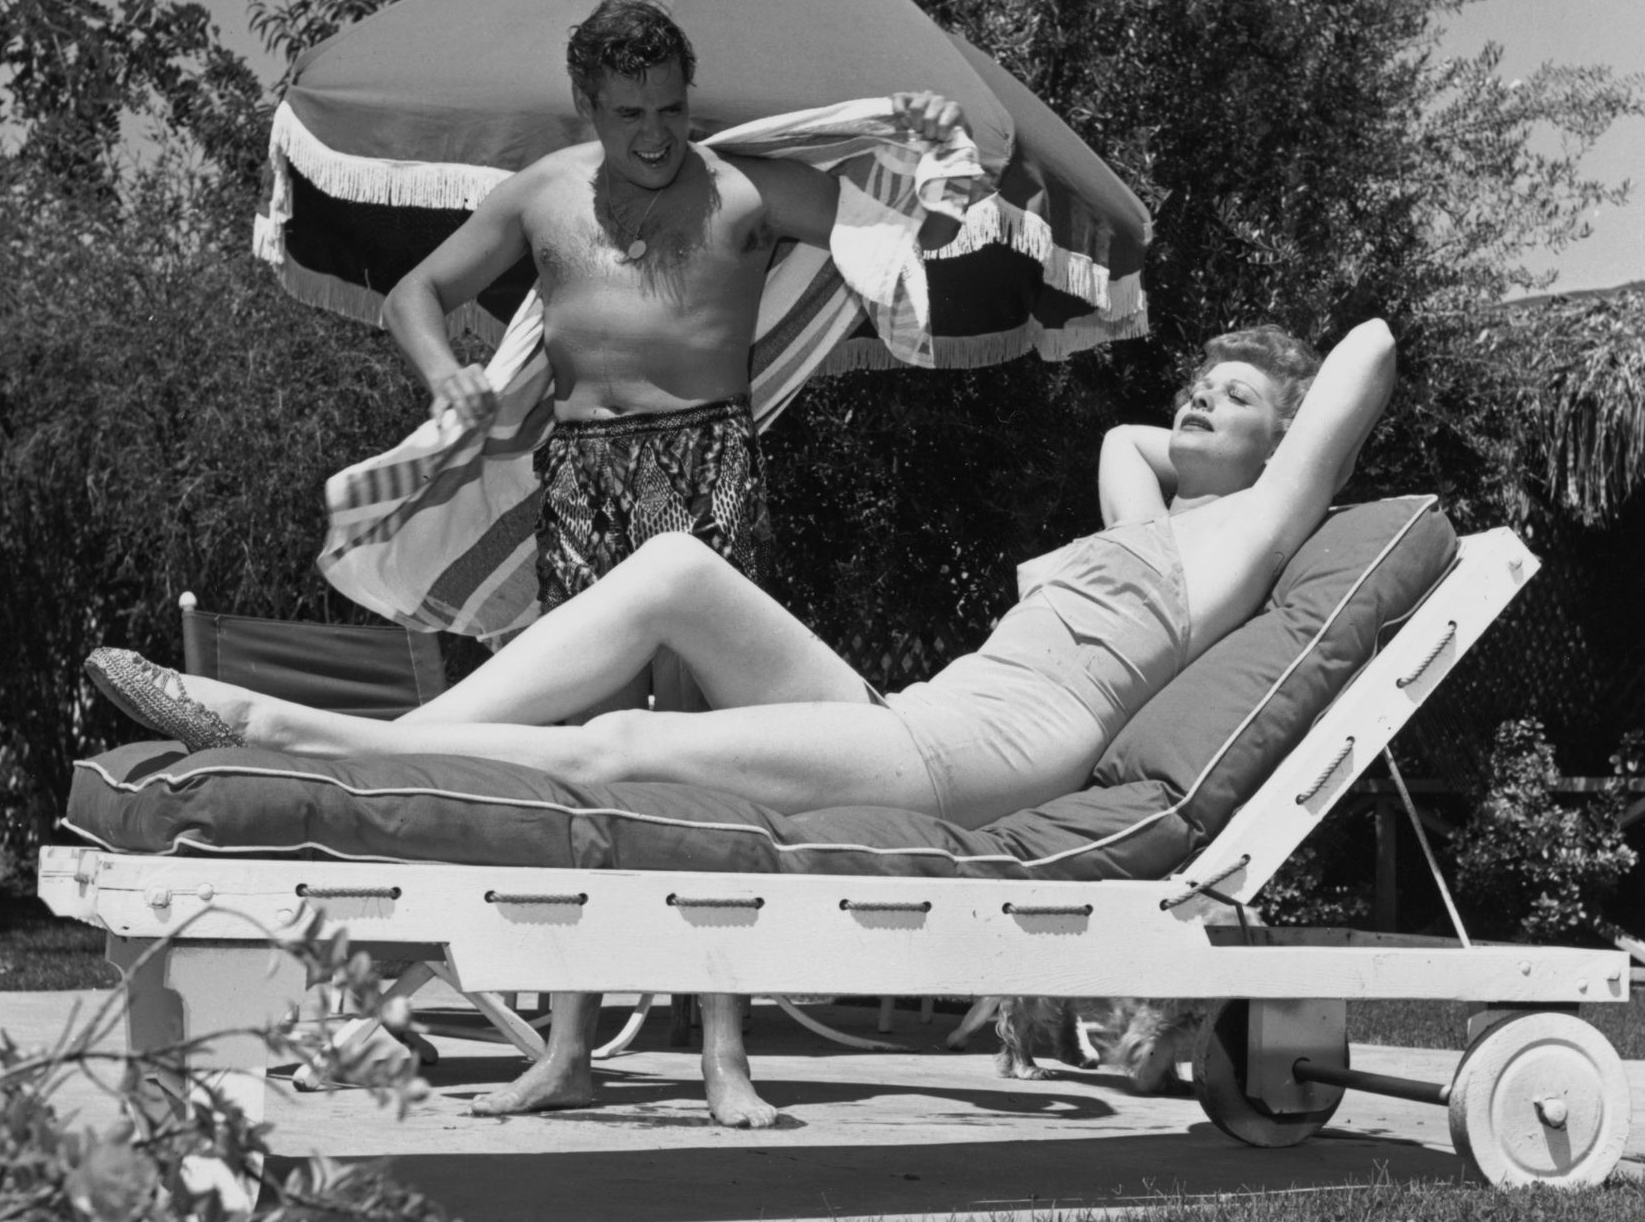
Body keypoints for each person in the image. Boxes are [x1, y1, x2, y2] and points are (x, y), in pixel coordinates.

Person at [86, 317, 1396, 1125]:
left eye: (1237, 396)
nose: (1201, 401)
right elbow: (1124, 436)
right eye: (1202, 383)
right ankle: (382, 742)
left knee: (630, 754)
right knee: (670, 574)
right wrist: (1206, 428)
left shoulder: (1252, 539)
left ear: (1290, 446)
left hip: (983, 750)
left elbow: (1372, 353)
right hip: (928, 709)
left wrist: (1282, 453)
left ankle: (316, 740)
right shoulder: (1154, 525)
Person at [368, 0, 967, 1125]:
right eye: (628, 111)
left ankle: (724, 1055)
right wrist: (442, 369)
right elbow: (417, 293)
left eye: (671, 108)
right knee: (568, 768)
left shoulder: (745, 191)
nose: (653, 133)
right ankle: (567, 1048)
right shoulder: (543, 194)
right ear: (587, 105)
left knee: (706, 771)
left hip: (708, 478)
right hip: (584, 477)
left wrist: (926, 149)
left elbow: (896, 218)